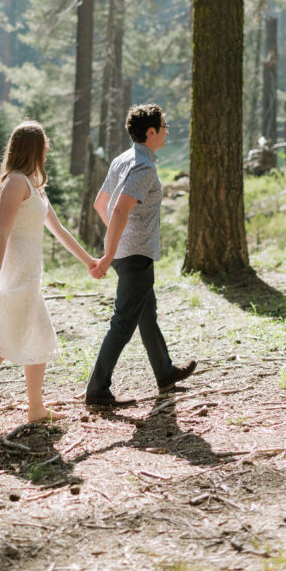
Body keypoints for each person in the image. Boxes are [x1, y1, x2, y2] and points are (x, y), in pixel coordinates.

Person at [0, 119, 97, 432]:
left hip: (30, 275)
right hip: (15, 274)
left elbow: (59, 230)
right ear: (34, 148)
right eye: (45, 144)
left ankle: (36, 408)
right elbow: (2, 233)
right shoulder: (15, 182)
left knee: (36, 334)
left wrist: (89, 261)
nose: (49, 148)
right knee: (3, 342)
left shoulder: (34, 183)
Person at [86, 104, 196, 405]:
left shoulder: (123, 159)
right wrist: (110, 253)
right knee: (123, 323)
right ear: (151, 132)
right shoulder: (143, 167)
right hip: (134, 255)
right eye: (164, 125)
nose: (167, 130)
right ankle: (97, 390)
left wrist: (117, 240)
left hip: (129, 252)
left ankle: (165, 373)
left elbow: (101, 204)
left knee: (146, 315)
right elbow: (119, 208)